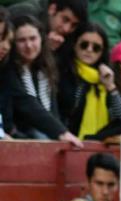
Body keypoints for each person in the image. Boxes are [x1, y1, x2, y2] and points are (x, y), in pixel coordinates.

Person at [0, 14, 81, 144]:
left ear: (41, 39)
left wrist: (62, 133)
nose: (29, 45)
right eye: (21, 40)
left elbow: (52, 112)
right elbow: (26, 103)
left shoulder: (46, 68)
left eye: (33, 38)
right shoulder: (7, 69)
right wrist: (60, 132)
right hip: (21, 136)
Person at [56, 21, 121, 138]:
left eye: (96, 48)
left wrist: (111, 87)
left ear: (102, 52)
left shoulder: (104, 78)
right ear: (75, 45)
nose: (89, 50)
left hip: (96, 146)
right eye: (84, 45)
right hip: (65, 141)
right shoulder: (62, 71)